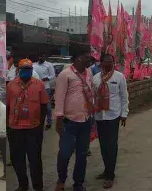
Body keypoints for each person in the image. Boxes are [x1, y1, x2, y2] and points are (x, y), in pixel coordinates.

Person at [6, 59, 48, 191]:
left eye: (28, 69)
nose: (26, 71)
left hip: (33, 129)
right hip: (15, 129)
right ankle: (22, 185)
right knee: (17, 159)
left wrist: (40, 126)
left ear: (31, 70)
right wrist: (8, 126)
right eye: (23, 69)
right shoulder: (11, 85)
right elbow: (8, 107)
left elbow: (44, 106)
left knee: (35, 159)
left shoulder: (39, 85)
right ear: (18, 70)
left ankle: (38, 186)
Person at [54, 50, 94, 191]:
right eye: (86, 57)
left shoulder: (88, 73)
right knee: (65, 153)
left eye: (89, 58)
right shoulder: (65, 75)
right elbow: (59, 97)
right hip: (69, 122)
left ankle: (78, 183)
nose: (89, 60)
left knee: (82, 155)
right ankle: (61, 179)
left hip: (86, 120)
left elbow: (91, 91)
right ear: (77, 59)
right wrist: (59, 118)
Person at [92, 53, 129, 189]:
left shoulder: (119, 77)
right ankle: (106, 170)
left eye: (111, 61)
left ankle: (110, 175)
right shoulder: (95, 79)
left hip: (113, 116)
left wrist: (124, 114)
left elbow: (124, 96)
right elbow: (92, 97)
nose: (109, 63)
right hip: (99, 116)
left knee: (112, 145)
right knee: (103, 145)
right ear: (100, 63)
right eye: (106, 61)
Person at [33, 53, 56, 130]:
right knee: (37, 105)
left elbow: (53, 75)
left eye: (43, 56)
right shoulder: (34, 65)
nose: (41, 57)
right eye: (40, 56)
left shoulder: (49, 65)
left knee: (47, 106)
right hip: (35, 88)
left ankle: (49, 122)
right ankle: (37, 122)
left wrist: (46, 78)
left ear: (45, 57)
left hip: (46, 87)